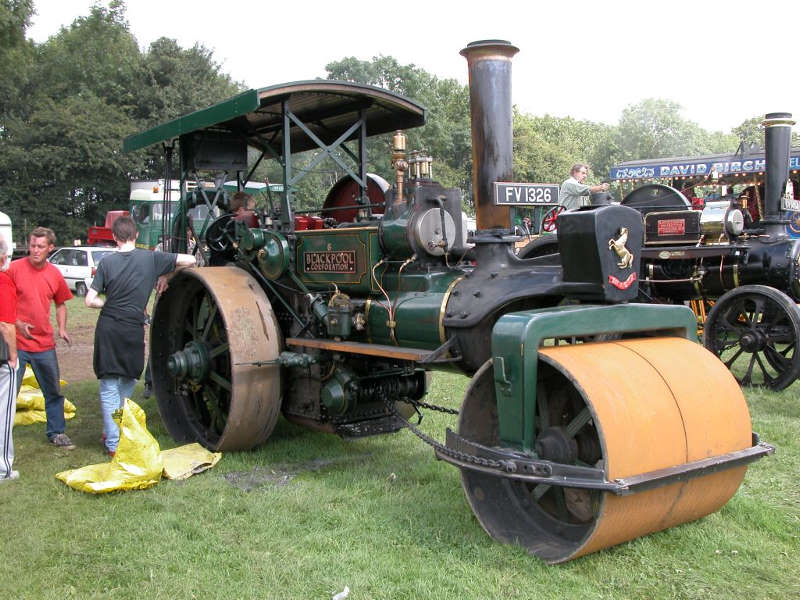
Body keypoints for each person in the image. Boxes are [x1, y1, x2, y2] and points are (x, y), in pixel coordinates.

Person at [85, 216, 196, 455]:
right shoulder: (152, 259)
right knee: (126, 382)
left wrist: (106, 303)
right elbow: (191, 259)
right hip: (133, 329)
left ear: (114, 238)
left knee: (108, 385)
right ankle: (115, 431)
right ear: (136, 236)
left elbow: (89, 300)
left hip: (109, 328)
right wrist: (166, 275)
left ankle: (113, 440)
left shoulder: (107, 264)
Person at [8, 227, 75, 450]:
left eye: (40, 246)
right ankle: (2, 433)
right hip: (15, 343)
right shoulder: (14, 269)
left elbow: (62, 304)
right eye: (32, 245)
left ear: (50, 248)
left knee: (53, 391)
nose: (35, 250)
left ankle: (56, 432)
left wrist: (62, 328)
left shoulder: (54, 274)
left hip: (44, 345)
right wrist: (17, 323)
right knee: (8, 392)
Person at [0, 235, 19, 481]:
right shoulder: (3, 281)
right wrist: (13, 356)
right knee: (4, 414)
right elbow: (6, 325)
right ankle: (3, 468)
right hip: (1, 358)